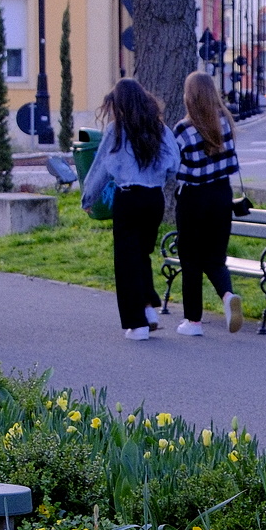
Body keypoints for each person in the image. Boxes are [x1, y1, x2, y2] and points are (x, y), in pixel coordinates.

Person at [81, 80, 179, 340]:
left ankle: (137, 325)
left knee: (126, 261)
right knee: (142, 255)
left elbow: (101, 167)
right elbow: (174, 165)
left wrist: (88, 199)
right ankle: (148, 310)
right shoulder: (160, 128)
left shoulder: (117, 130)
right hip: (154, 199)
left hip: (129, 197)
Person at [171, 72, 244, 336]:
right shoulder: (225, 121)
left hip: (194, 198)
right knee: (215, 257)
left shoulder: (183, 129)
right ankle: (227, 296)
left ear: (189, 96)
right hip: (222, 194)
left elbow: (176, 168)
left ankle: (193, 321)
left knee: (190, 259)